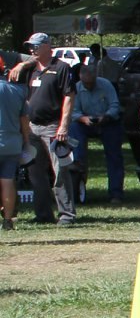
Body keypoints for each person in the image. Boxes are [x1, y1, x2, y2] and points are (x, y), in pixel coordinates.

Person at [13, 33, 76, 225]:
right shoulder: (30, 69)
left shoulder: (61, 68)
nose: (32, 50)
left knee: (60, 171)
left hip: (53, 127)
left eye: (36, 46)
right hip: (32, 128)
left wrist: (63, 125)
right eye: (30, 46)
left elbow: (69, 96)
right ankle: (43, 215)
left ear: (48, 46)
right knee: (35, 173)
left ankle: (66, 215)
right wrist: (22, 65)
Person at [67, 59, 124, 206]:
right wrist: (83, 118)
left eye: (92, 83)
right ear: (80, 77)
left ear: (96, 77)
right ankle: (78, 179)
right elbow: (73, 111)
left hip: (107, 121)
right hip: (84, 122)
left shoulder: (106, 85)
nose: (89, 86)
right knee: (74, 131)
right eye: (87, 83)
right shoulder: (77, 88)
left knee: (114, 156)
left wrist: (106, 116)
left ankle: (115, 193)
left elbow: (115, 105)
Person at [0, 69, 26, 230]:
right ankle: (8, 220)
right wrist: (27, 141)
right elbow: (24, 119)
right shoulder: (17, 91)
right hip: (12, 143)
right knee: (7, 180)